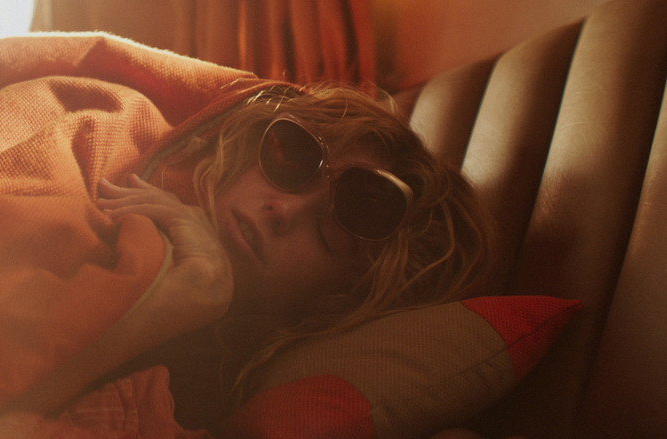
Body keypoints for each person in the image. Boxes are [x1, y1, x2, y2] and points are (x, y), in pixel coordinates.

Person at [95, 84, 495, 430]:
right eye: (290, 162)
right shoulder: (144, 162)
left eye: (326, 234)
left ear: (345, 293)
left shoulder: (204, 384)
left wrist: (187, 295)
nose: (283, 210)